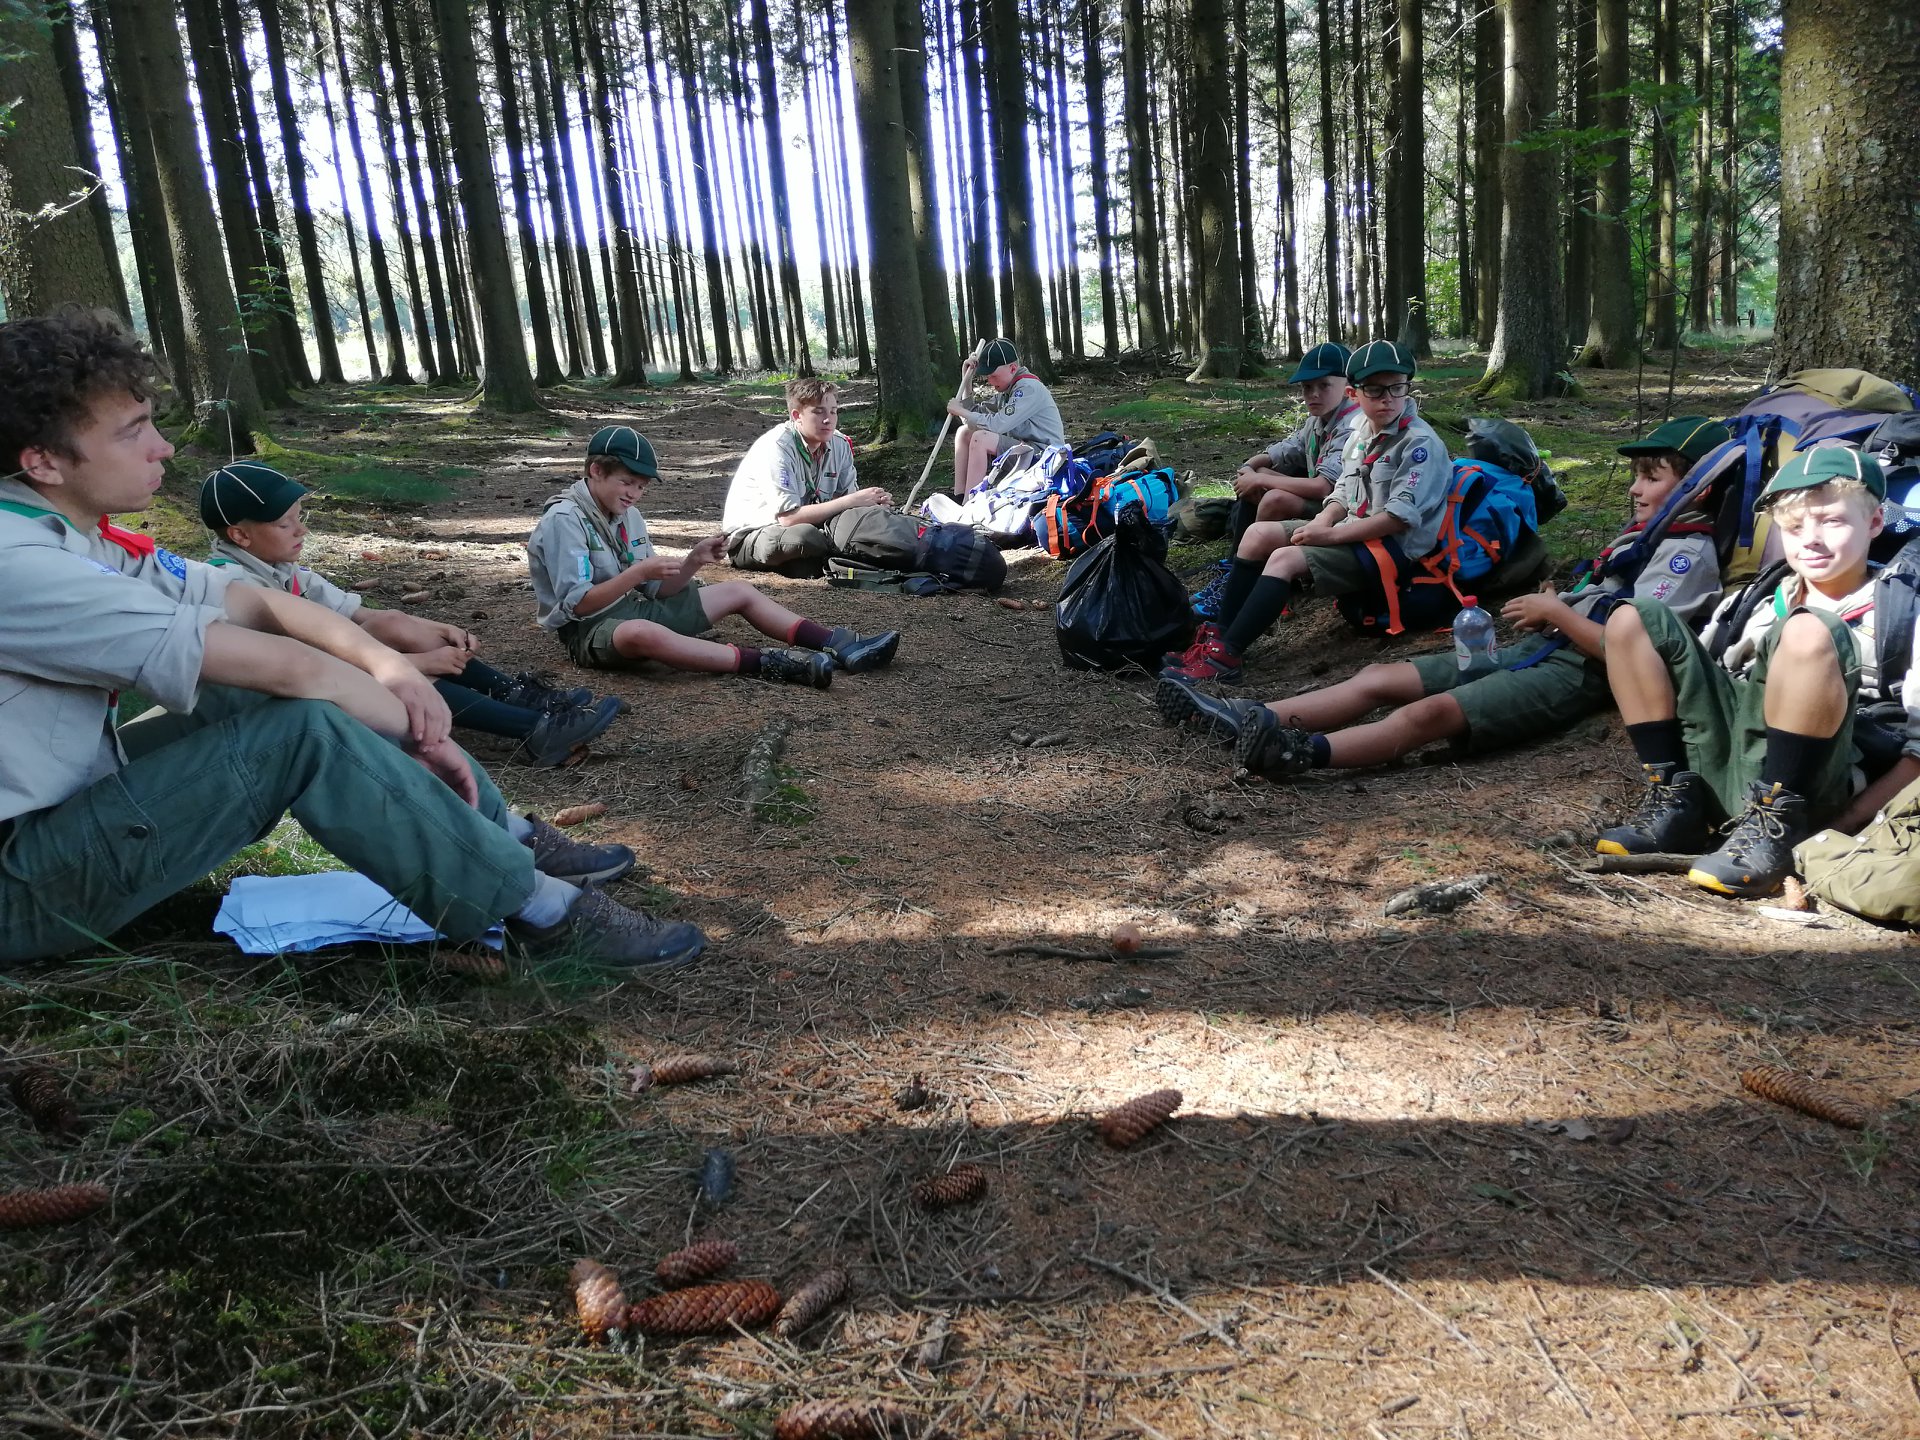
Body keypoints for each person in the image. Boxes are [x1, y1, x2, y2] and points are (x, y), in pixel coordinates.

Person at [0, 308, 705, 967]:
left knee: (259, 697)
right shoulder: (21, 565)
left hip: (68, 811)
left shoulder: (66, 532)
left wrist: (383, 666)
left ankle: (503, 840)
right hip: (22, 882)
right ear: (44, 461)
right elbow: (281, 665)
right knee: (301, 726)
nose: (164, 446)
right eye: (132, 433)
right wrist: (420, 728)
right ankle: (533, 908)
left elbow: (251, 600)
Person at [1158, 417, 1730, 778]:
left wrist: (1556, 612)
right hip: (1549, 647)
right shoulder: (1648, 537)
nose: (1634, 488)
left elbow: (1631, 651)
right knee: (1383, 677)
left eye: (1652, 478)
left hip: (1577, 675)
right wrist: (1564, 602)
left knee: (1429, 713)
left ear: (1699, 487)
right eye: (1639, 476)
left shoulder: (1687, 554)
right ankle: (1243, 717)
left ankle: (1304, 753)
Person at [1593, 446, 1920, 897]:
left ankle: (1776, 828)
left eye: (1833, 521)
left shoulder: (1904, 610)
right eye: (1795, 525)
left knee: (1807, 631)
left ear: (1875, 523)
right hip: (1733, 761)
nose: (1813, 539)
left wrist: (1843, 825)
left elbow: (1918, 753)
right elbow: (1703, 685)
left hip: (1816, 785)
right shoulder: (1758, 598)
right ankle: (1674, 801)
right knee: (1632, 617)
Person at [200, 461, 622, 767]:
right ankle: (532, 729)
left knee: (394, 623)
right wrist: (414, 665)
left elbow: (360, 617)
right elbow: (308, 666)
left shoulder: (283, 571)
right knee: (417, 675)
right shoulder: (236, 588)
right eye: (285, 525)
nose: (302, 531)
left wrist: (433, 629)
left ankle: (521, 696)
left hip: (320, 671)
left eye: (299, 519)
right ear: (240, 535)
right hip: (280, 704)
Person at [1164, 340, 1453, 684]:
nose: (1387, 398)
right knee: (1257, 534)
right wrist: (1323, 519)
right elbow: (1345, 488)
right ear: (1355, 393)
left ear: (1408, 387)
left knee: (1284, 559)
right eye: (1375, 390)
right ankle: (1220, 633)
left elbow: (1396, 519)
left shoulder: (1419, 444)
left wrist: (1328, 535)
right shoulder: (1362, 432)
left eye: (1397, 387)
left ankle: (1227, 656)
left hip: (1391, 551)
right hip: (1354, 530)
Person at [527, 425, 900, 687]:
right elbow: (578, 605)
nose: (634, 494)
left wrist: (693, 561)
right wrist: (638, 574)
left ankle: (839, 642)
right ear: (595, 471)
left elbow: (659, 590)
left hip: (635, 605)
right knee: (644, 633)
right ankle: (768, 663)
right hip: (592, 629)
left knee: (739, 591)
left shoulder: (628, 515)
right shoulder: (566, 520)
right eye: (626, 482)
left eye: (641, 487)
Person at [1191, 341, 1361, 617]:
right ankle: (1238, 566)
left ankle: (1254, 576)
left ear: (1347, 386)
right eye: (1307, 388)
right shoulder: (1318, 420)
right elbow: (1286, 449)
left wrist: (1260, 481)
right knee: (1262, 479)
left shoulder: (1352, 424)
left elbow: (1323, 486)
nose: (1313, 394)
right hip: (1327, 501)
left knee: (1274, 496)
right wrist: (1251, 467)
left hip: (1343, 510)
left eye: (1324, 385)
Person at [722, 377, 893, 575]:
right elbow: (788, 519)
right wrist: (852, 501)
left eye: (833, 411)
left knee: (869, 527)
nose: (828, 419)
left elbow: (848, 506)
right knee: (805, 537)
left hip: (816, 529)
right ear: (797, 416)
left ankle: (824, 561)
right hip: (758, 534)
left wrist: (872, 504)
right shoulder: (777, 447)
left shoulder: (840, 445)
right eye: (818, 412)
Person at [949, 337, 1066, 498]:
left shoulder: (1027, 389)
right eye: (987, 376)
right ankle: (960, 495)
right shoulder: (1007, 391)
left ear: (1012, 368)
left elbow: (997, 425)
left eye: (993, 376)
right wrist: (966, 378)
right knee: (965, 432)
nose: (990, 381)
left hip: (1045, 459)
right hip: (1025, 452)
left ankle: (969, 505)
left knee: (980, 438)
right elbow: (971, 418)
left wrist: (961, 411)